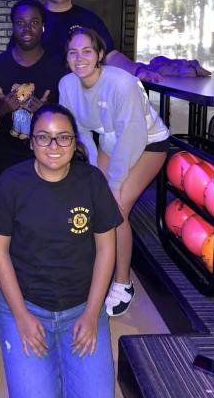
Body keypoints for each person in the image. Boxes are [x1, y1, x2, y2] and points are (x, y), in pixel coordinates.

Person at [0, 103, 123, 398]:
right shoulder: (12, 182)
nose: (53, 145)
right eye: (43, 137)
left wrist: (91, 314)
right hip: (26, 305)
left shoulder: (91, 181)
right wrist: (21, 316)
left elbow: (106, 250)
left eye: (63, 137)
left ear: (74, 142)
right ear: (31, 141)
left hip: (82, 306)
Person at [59, 27, 170, 317]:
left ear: (99, 55)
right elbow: (80, 131)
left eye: (86, 51)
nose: (79, 58)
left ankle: (123, 282)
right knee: (98, 202)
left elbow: (133, 136)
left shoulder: (123, 84)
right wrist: (96, 170)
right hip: (110, 141)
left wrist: (116, 182)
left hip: (148, 143)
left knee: (116, 208)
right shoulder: (67, 85)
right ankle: (98, 267)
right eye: (73, 52)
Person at [42, 0, 210, 80]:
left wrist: (137, 70)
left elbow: (110, 56)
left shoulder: (88, 19)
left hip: (79, 95)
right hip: (40, 95)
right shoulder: (33, 20)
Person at [0, 0, 66, 179]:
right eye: (20, 23)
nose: (27, 28)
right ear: (13, 27)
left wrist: (45, 112)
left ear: (43, 27)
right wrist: (3, 109)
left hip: (49, 156)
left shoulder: (59, 68)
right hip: (6, 159)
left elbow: (71, 119)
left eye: (34, 23)